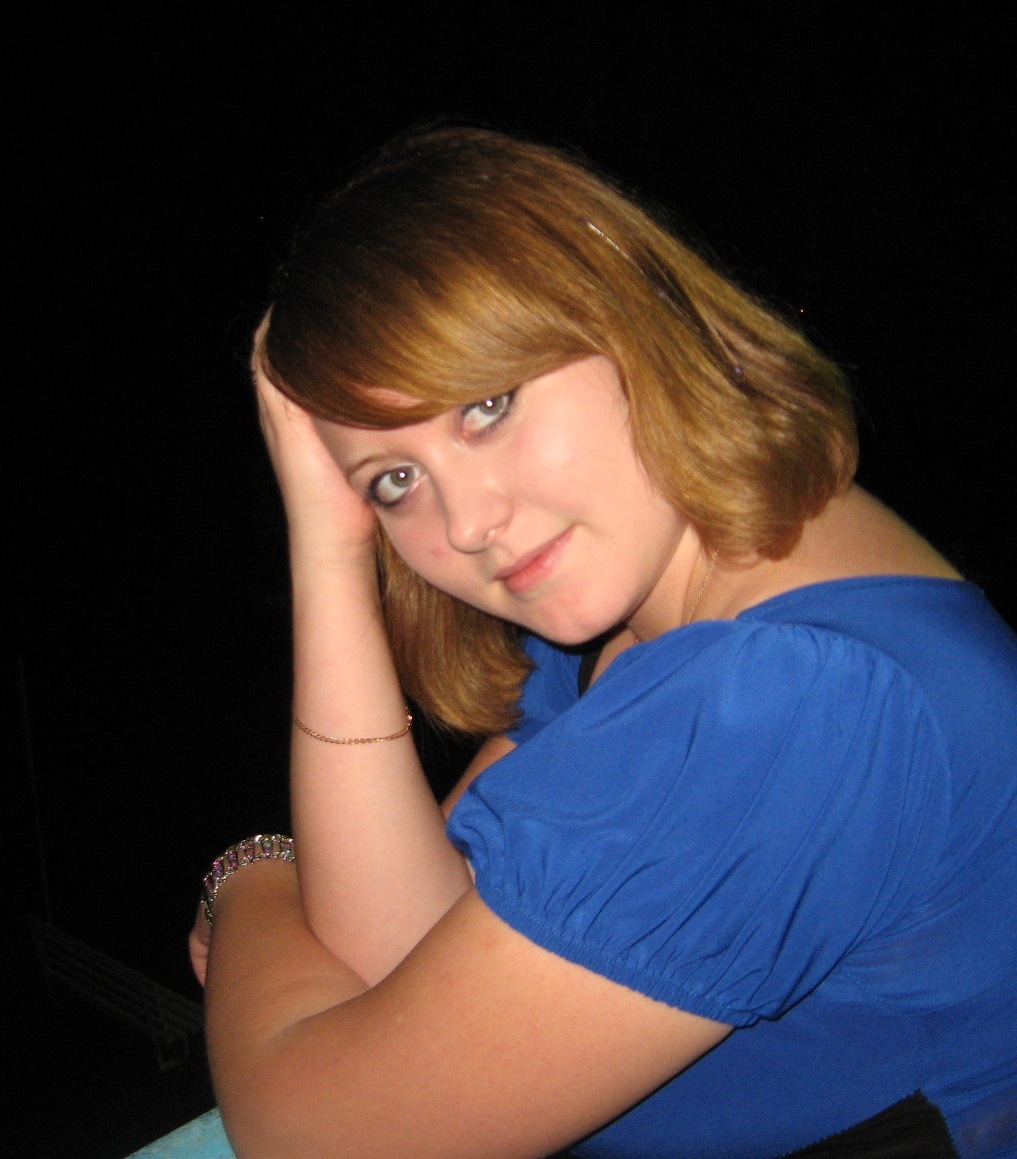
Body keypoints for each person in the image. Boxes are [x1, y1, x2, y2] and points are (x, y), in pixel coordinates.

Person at [188, 127, 1017, 1158]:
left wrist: (252, 879)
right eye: (394, 481)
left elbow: (323, 1139)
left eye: (486, 407)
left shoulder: (788, 705)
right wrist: (329, 542)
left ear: (618, 310)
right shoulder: (650, 619)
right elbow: (404, 950)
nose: (468, 524)